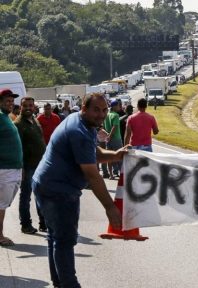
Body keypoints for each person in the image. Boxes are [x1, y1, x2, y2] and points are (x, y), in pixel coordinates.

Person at [32, 93, 123, 288]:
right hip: (59, 190)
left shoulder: (80, 121)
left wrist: (115, 155)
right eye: (96, 110)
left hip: (46, 183)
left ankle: (59, 282)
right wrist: (110, 207)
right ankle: (69, 284)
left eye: (104, 110)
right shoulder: (79, 131)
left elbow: (92, 153)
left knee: (55, 237)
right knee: (64, 240)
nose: (101, 114)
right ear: (84, 108)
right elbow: (92, 174)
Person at [14, 97, 47, 234]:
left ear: (34, 107)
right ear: (21, 107)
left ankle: (43, 223)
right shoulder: (18, 124)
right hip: (27, 166)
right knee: (26, 196)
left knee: (41, 195)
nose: (28, 108)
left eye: (31, 105)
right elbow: (18, 147)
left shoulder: (34, 120)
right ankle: (26, 225)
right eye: (25, 105)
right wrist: (21, 167)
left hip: (40, 165)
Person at [0, 89, 23, 246]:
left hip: (13, 169)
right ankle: (0, 235)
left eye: (11, 101)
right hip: (4, 169)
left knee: (4, 204)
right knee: (1, 205)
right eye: (7, 101)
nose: (10, 103)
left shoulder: (6, 117)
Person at [104, 99, 123, 179]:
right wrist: (110, 136)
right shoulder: (115, 115)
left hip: (108, 139)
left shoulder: (107, 115)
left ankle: (111, 175)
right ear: (114, 106)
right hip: (116, 139)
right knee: (120, 156)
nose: (119, 107)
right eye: (118, 105)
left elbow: (104, 127)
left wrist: (107, 137)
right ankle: (123, 175)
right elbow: (114, 127)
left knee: (109, 157)